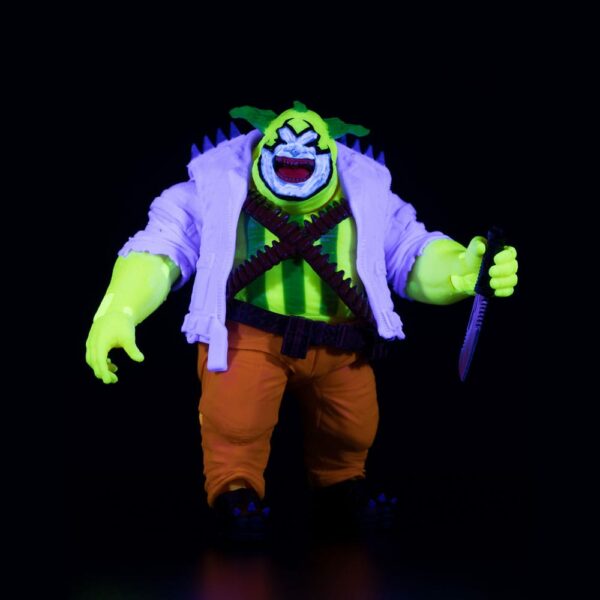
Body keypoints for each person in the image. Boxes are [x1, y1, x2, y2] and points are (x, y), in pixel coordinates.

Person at [85, 101, 518, 541]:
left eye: (310, 142)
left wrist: (461, 270)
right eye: (283, 141)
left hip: (341, 343)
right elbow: (160, 248)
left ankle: (342, 485)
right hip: (248, 338)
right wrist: (120, 309)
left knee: (351, 428)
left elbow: (412, 253)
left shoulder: (369, 198)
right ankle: (235, 492)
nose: (295, 150)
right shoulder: (212, 191)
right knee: (235, 422)